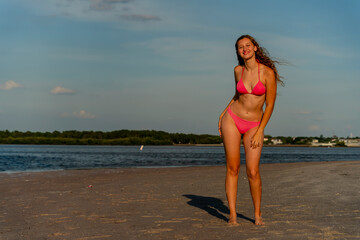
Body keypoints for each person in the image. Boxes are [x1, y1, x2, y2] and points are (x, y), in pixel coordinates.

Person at [218, 35, 283, 226]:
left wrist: (261, 129)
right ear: (237, 52)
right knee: (233, 168)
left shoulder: (267, 73)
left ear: (255, 48)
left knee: (253, 171)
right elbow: (237, 95)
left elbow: (270, 104)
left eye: (247, 45)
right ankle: (232, 215)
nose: (244, 49)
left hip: (254, 125)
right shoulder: (237, 71)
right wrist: (222, 115)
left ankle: (257, 214)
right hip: (232, 119)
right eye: (240, 47)